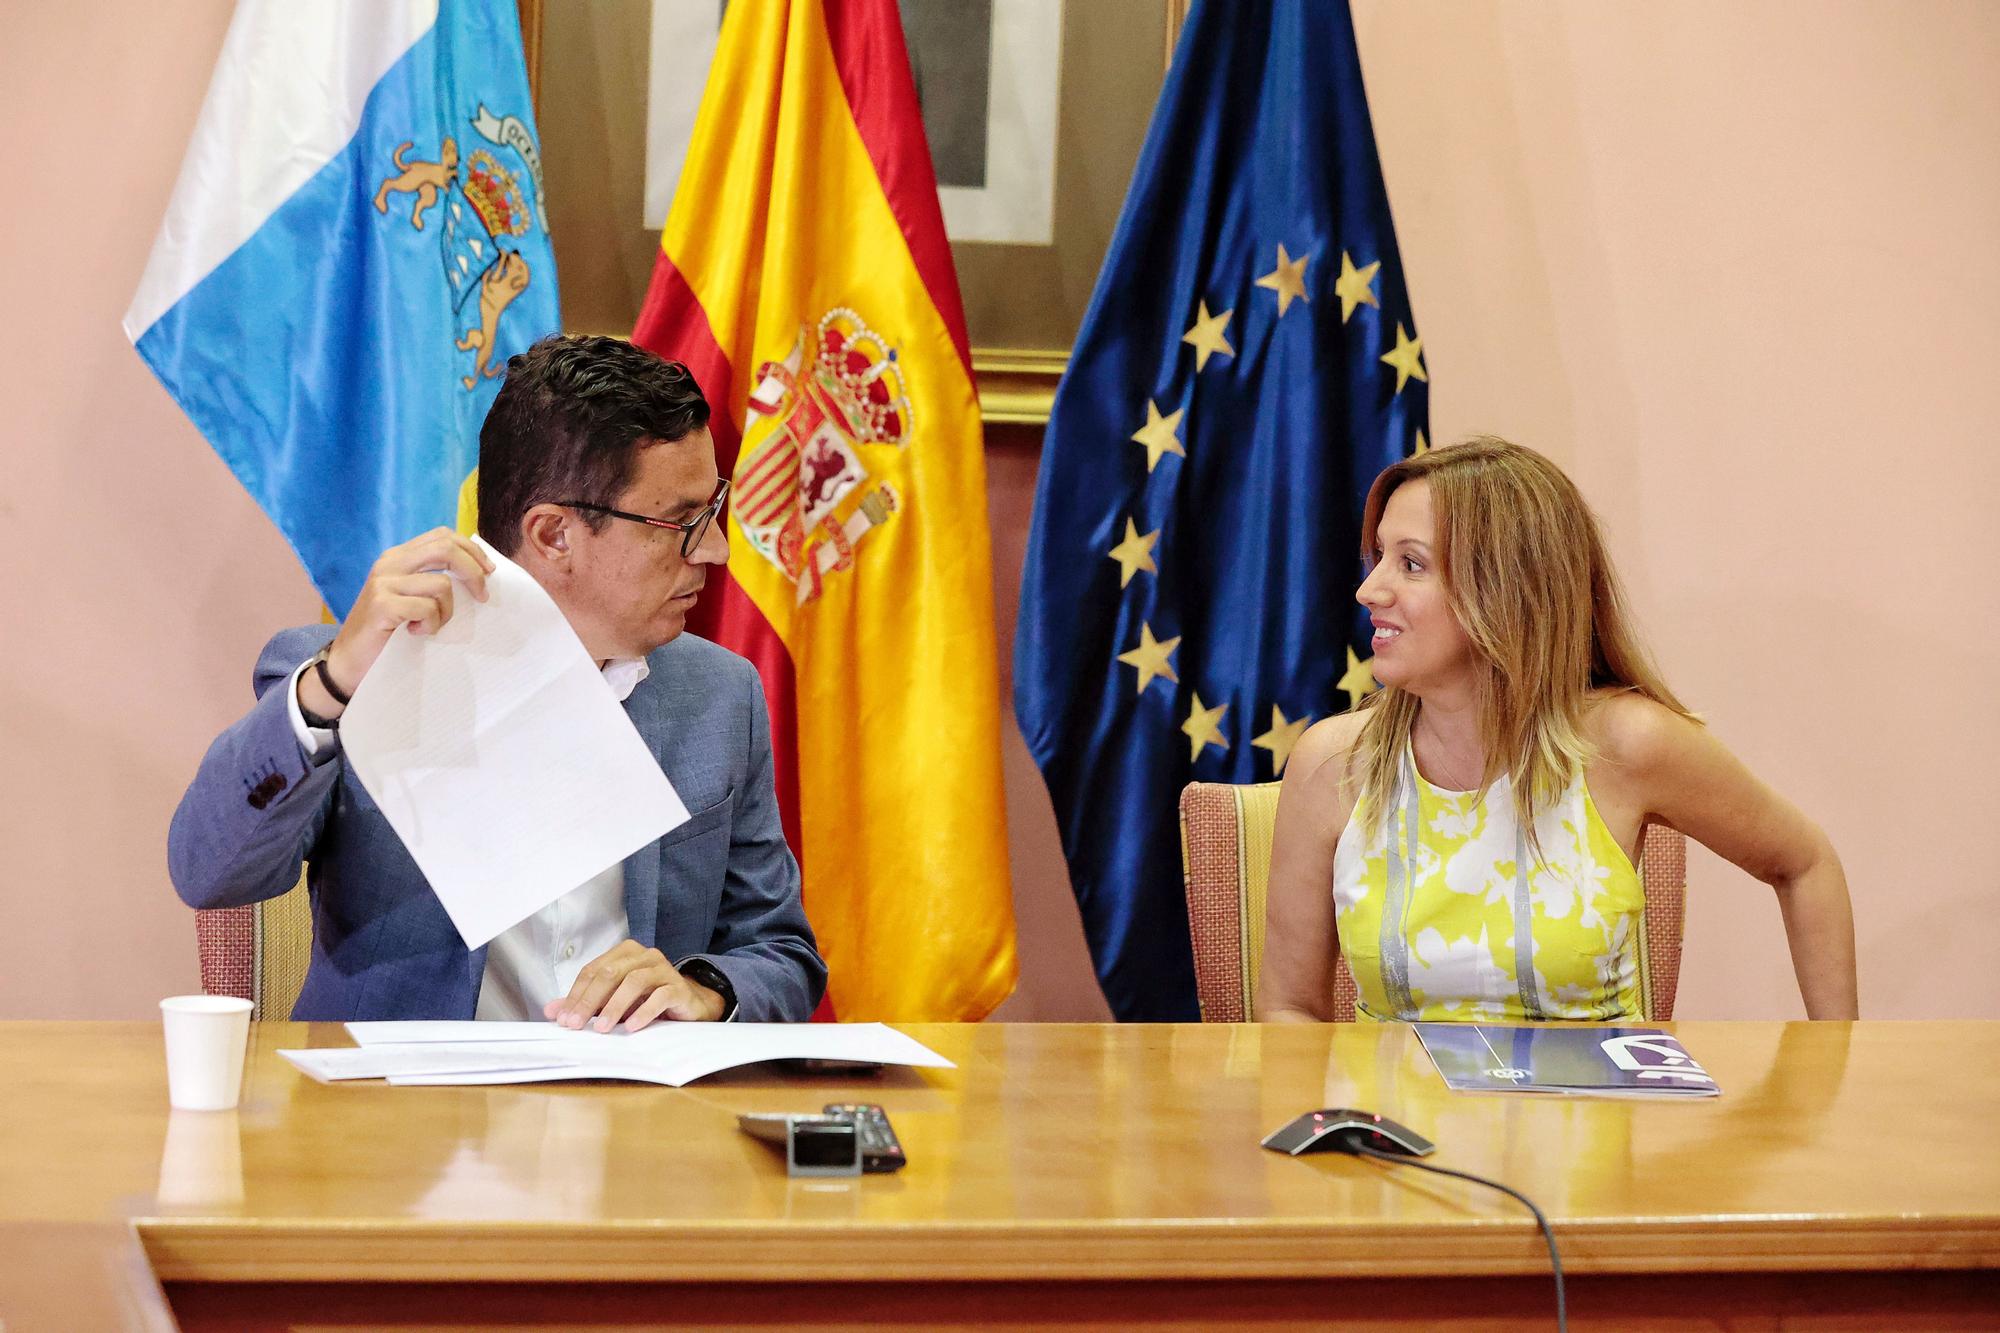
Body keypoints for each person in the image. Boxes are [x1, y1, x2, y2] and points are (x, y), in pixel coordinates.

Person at [169, 334, 825, 1027]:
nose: (717, 550)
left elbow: (781, 951)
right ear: (553, 535)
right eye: (683, 522)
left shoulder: (720, 696)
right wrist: (330, 687)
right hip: (397, 1120)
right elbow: (208, 870)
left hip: (638, 1120)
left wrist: (705, 988)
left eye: (713, 510)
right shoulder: (361, 680)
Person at [1258, 437, 1857, 1023]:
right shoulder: (1333, 762)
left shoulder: (1629, 743)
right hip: (1399, 1122)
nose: (1369, 591)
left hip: (1592, 1115)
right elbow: (1289, 1008)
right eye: (1378, 558)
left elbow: (1803, 863)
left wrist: (1837, 1069)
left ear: (1506, 589)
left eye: (1411, 563)